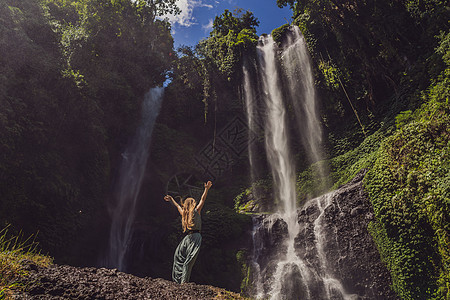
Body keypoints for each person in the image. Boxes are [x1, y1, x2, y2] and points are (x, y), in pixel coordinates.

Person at [164, 180, 212, 283]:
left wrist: (206, 189)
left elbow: (201, 200)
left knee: (188, 261)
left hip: (194, 237)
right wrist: (206, 189)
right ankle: (177, 281)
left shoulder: (193, 212)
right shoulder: (188, 213)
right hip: (189, 237)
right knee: (178, 255)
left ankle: (183, 283)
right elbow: (201, 200)